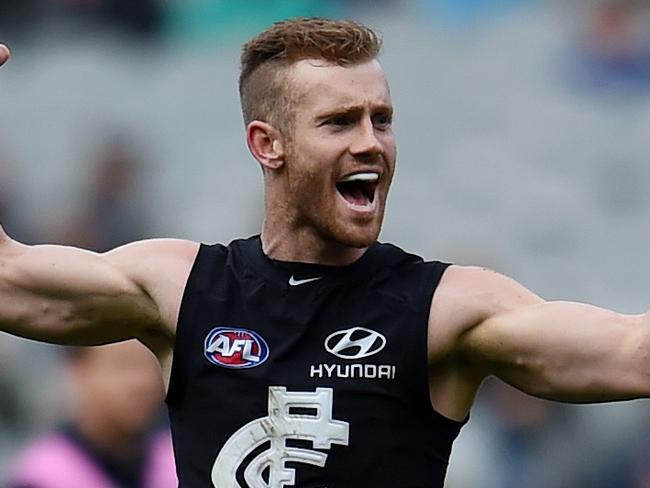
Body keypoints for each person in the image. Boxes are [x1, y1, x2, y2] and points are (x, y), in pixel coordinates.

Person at [0, 18, 648, 487]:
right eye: (339, 122)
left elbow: (630, 352)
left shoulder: (447, 309)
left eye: (382, 119)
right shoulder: (180, 287)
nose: (372, 143)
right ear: (267, 144)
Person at [4, 340, 177, 488]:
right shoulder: (43, 478)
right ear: (78, 367)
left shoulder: (178, 461)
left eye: (152, 364)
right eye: (124, 365)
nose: (143, 383)